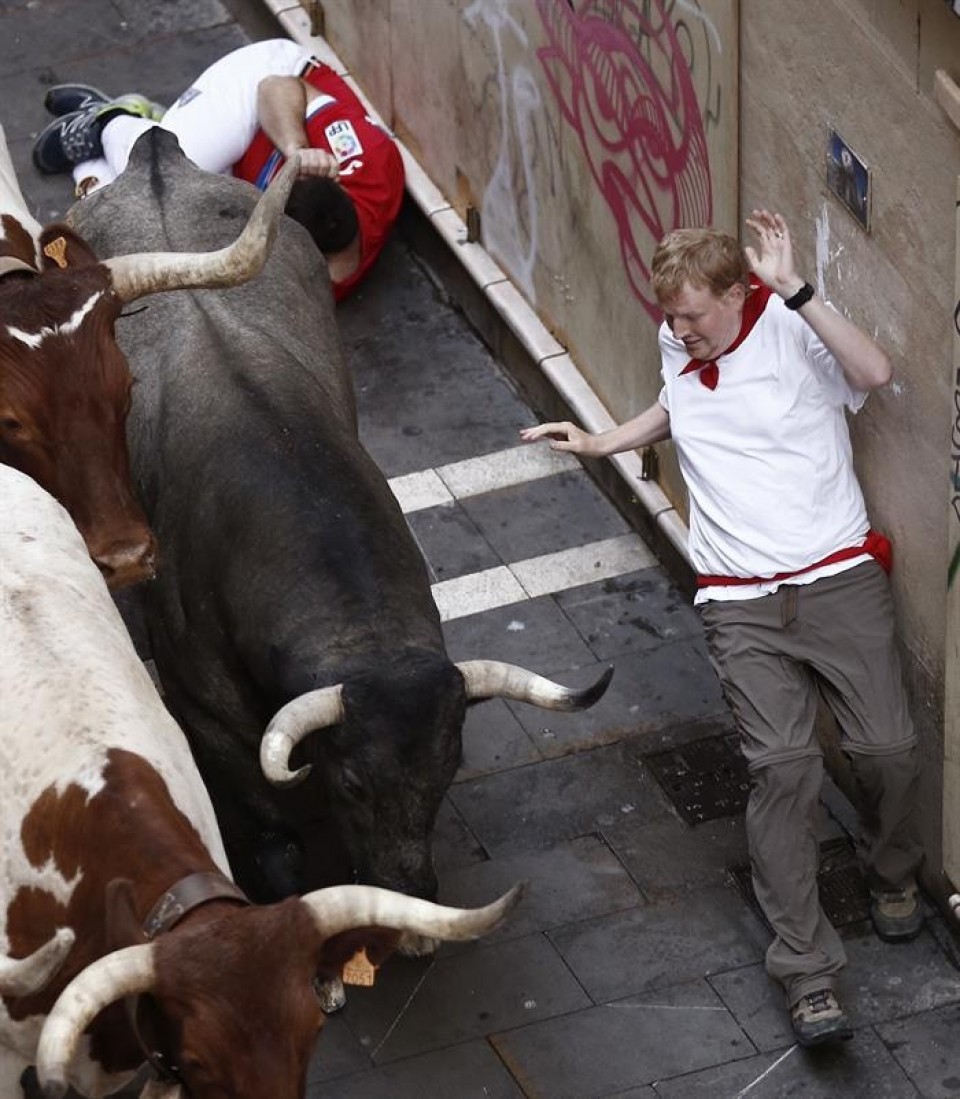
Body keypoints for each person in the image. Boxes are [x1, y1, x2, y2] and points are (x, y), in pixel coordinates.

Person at [521, 210, 923, 1048]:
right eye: (669, 316)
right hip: (740, 599)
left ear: (739, 297)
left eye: (693, 316)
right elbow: (680, 406)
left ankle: (893, 873)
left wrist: (797, 291)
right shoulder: (684, 343)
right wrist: (603, 440)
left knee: (886, 749)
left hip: (835, 575)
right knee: (783, 767)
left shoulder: (790, 328)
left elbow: (876, 371)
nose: (676, 331)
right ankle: (808, 973)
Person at [32, 38, 405, 301]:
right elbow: (275, 87)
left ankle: (92, 158)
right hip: (263, 85)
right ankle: (108, 121)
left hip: (230, 174)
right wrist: (297, 148)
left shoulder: (306, 283)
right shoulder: (369, 159)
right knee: (161, 168)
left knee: (137, 228)